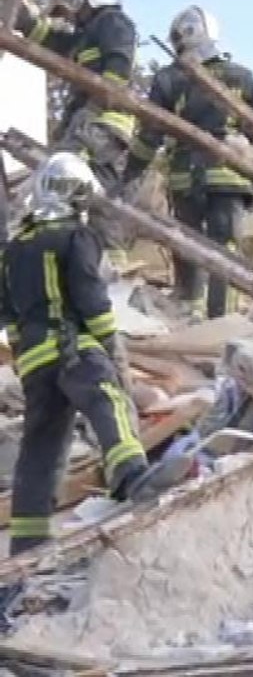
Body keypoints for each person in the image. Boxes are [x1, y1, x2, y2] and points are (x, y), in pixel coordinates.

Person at [0, 153, 151, 555]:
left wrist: (24, 355)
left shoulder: (14, 249)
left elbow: (9, 313)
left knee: (40, 451)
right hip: (74, 348)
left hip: (34, 363)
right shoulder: (75, 237)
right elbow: (89, 296)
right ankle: (132, 475)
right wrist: (110, 347)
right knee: (109, 399)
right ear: (74, 196)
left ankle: (27, 542)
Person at [121, 5, 253, 320]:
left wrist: (131, 173)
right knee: (224, 250)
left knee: (187, 243)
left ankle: (188, 310)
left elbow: (151, 132)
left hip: (186, 178)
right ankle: (221, 321)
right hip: (231, 180)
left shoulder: (169, 78)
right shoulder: (241, 76)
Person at [13, 0, 139, 272]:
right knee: (92, 187)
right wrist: (19, 13)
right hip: (93, 121)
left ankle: (97, 261)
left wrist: (97, 104)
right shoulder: (83, 36)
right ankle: (106, 262)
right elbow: (50, 39)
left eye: (67, 9)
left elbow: (118, 66)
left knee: (65, 176)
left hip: (103, 120)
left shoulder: (112, 21)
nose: (67, 17)